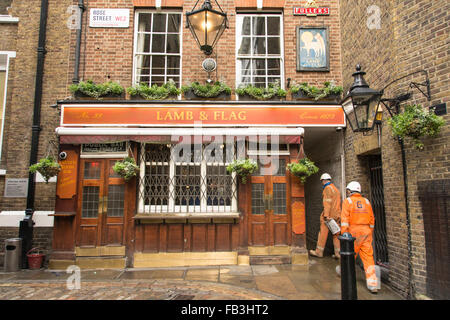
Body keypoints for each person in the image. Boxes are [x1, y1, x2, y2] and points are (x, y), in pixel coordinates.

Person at [341, 181, 379, 294]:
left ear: (350, 191)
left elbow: (344, 220)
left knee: (349, 255)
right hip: (366, 232)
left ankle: (345, 276)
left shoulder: (348, 201)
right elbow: (372, 219)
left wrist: (344, 235)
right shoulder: (366, 202)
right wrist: (369, 231)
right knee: (368, 257)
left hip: (353, 233)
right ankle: (373, 284)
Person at [309, 173, 342, 259]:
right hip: (337, 215)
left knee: (323, 233)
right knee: (336, 234)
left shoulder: (327, 189)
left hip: (329, 216)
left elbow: (327, 203)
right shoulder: (336, 189)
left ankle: (319, 252)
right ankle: (338, 253)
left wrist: (326, 215)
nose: (322, 183)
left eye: (322, 182)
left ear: (324, 180)